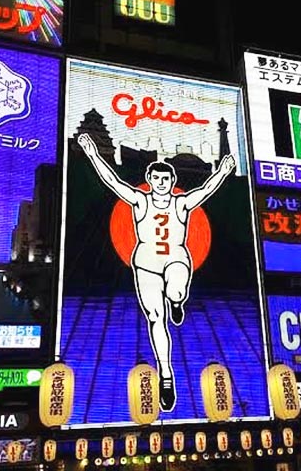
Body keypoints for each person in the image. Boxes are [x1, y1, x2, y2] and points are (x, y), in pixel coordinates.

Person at [77, 133, 236, 411]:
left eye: (166, 179)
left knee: (176, 290)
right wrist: (92, 154)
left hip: (176, 257)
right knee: (154, 317)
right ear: (150, 181)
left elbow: (207, 189)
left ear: (172, 182)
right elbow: (112, 181)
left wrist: (222, 171)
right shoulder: (140, 201)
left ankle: (177, 301)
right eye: (157, 179)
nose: (161, 183)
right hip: (146, 263)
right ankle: (166, 374)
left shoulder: (181, 203)